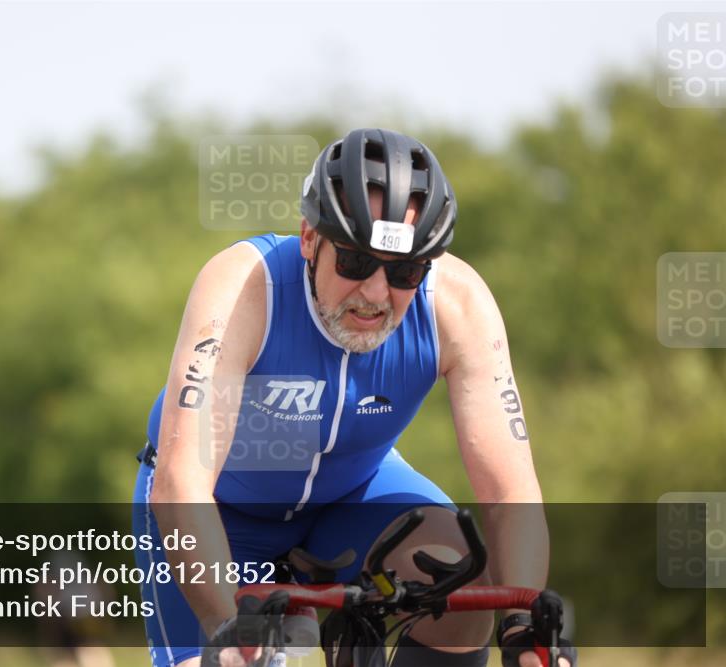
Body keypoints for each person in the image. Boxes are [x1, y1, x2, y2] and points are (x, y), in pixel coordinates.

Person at [131, 128, 575, 667]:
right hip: (220, 513)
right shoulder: (246, 286)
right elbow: (184, 481)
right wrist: (231, 632)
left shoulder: (457, 305)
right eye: (355, 262)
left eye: (405, 271)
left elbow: (510, 492)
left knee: (459, 586)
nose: (375, 293)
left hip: (354, 495)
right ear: (309, 238)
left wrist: (526, 626)